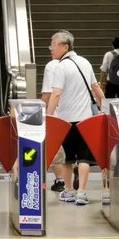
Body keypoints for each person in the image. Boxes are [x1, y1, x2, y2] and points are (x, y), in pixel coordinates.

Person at [46, 31, 105, 205]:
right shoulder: (84, 62)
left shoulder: (60, 67)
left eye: (54, 44)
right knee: (85, 157)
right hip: (86, 119)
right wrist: (106, 107)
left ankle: (69, 191)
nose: (51, 48)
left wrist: (49, 117)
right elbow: (95, 86)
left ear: (65, 46)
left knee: (68, 158)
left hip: (66, 120)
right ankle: (82, 193)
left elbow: (56, 93)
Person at [41, 58, 67, 192]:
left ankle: (60, 180)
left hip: (57, 114)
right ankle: (73, 180)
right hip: (76, 114)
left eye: (54, 44)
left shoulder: (52, 65)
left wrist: (43, 111)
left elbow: (48, 93)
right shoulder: (80, 63)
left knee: (56, 148)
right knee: (72, 149)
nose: (51, 48)